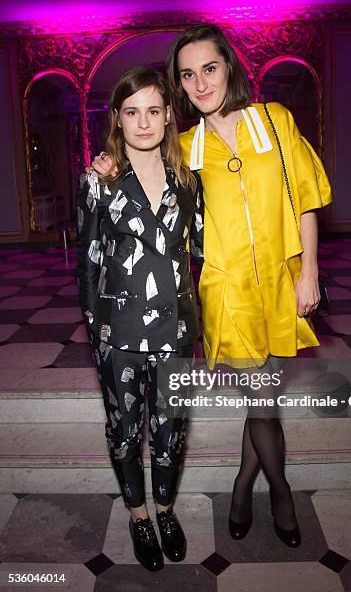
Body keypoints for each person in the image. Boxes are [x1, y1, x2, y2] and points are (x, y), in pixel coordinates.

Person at [92, 24, 332, 548]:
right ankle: (279, 489)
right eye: (187, 74)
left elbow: (307, 197)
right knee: (264, 399)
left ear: (230, 68)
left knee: (260, 397)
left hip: (282, 283)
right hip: (227, 294)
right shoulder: (183, 146)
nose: (200, 82)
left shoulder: (276, 121)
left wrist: (309, 271)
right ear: (179, 84)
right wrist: (105, 162)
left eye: (209, 68)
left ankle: (243, 484)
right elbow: (136, 161)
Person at [77, 66, 203, 571]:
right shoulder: (101, 179)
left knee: (172, 429)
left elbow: (207, 251)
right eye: (133, 112)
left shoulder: (188, 180)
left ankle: (167, 510)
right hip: (119, 333)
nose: (144, 122)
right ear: (118, 119)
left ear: (169, 115)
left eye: (154, 110)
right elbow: (87, 264)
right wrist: (96, 334)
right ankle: (138, 515)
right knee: (125, 430)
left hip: (175, 331)